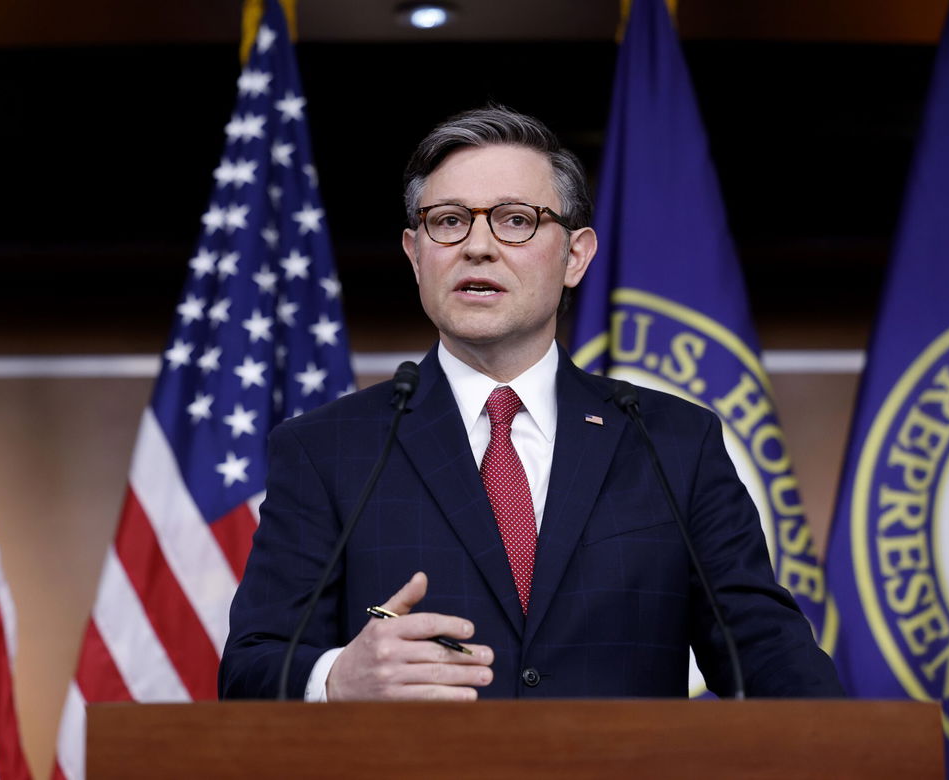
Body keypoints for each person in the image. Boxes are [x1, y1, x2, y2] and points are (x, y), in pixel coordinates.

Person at [219, 105, 843, 700]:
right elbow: (250, 666)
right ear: (415, 255)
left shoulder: (674, 441)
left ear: (575, 256)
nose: (478, 246)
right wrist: (336, 677)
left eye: (515, 220)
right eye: (449, 221)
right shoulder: (328, 448)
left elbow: (764, 652)